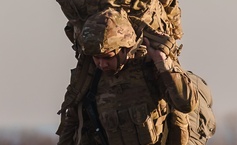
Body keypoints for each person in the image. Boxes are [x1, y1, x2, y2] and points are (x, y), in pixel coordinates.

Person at [57, 8, 198, 145]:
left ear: (126, 48)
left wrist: (163, 64)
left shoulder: (150, 69)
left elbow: (186, 104)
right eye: (96, 58)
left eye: (107, 57)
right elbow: (73, 124)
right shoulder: (90, 78)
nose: (102, 64)